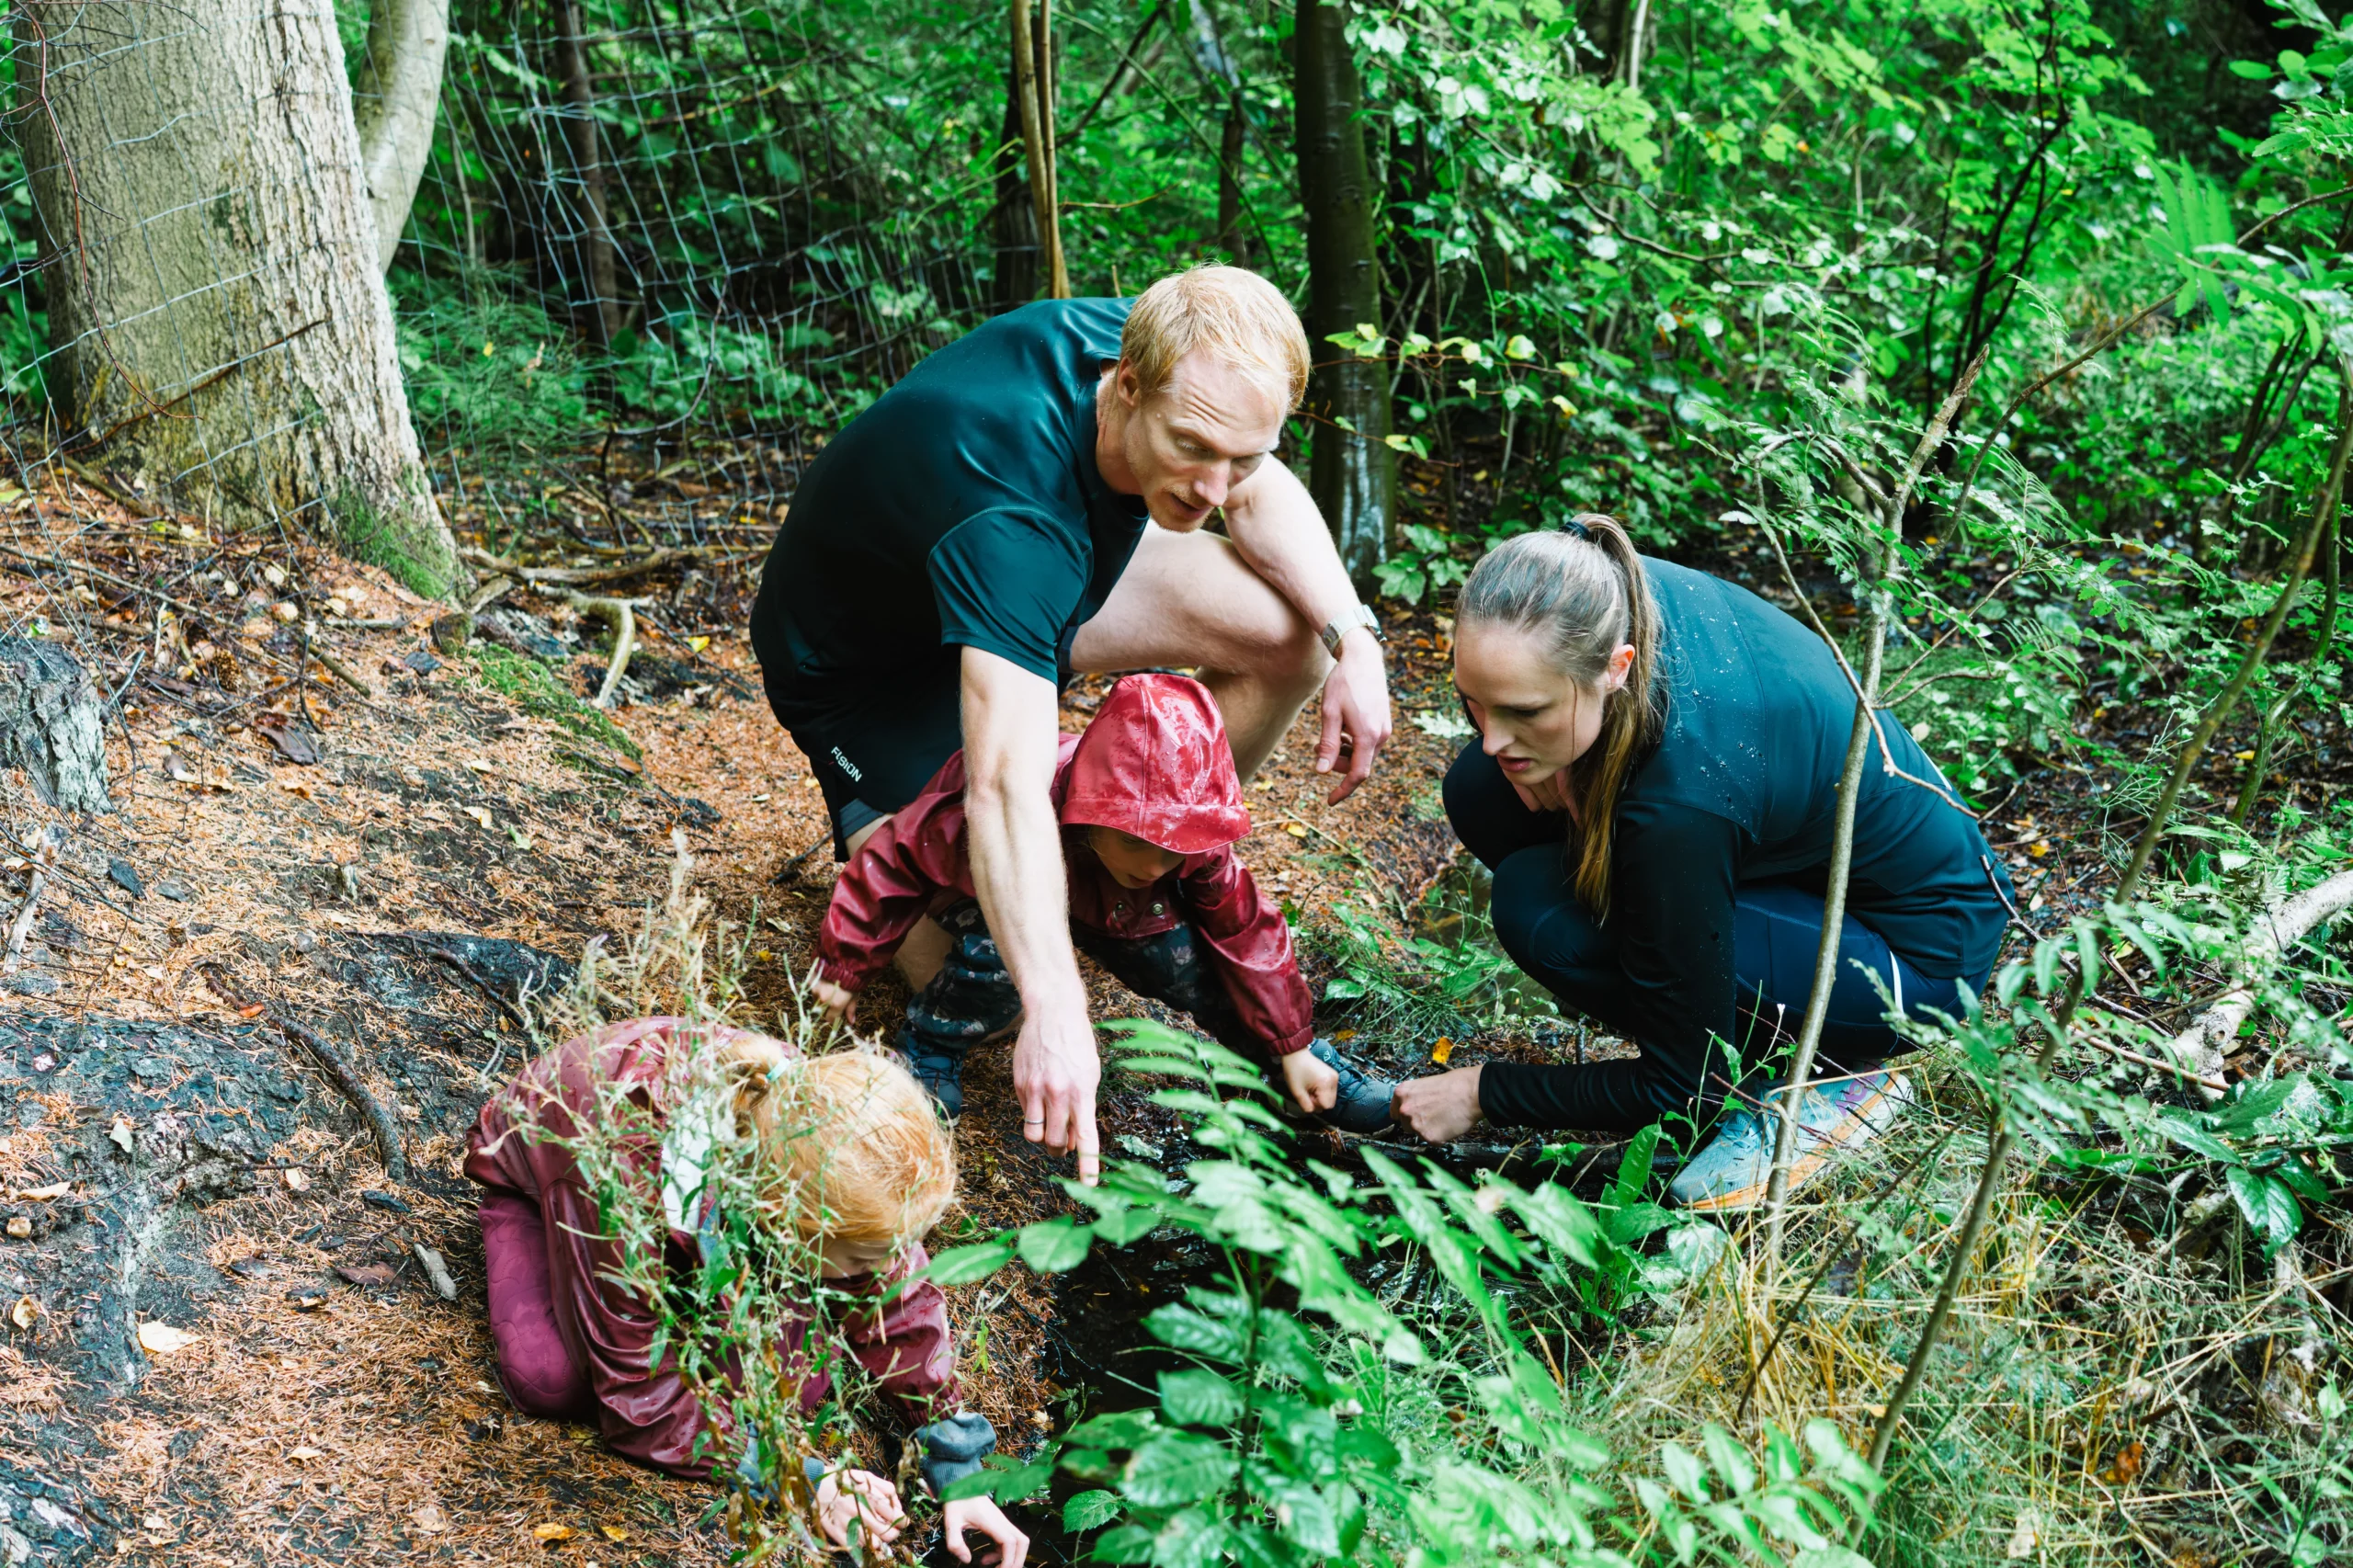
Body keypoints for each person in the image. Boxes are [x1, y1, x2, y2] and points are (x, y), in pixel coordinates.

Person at [750, 266, 1395, 1186]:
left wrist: (1355, 638)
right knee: (970, 968)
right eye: (1192, 449)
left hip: (1039, 580)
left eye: (1239, 455)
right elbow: (1006, 784)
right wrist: (1055, 1001)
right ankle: (917, 835)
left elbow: (1254, 485)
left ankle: (1132, 859)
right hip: (872, 674)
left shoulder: (1171, 353)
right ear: (1124, 384)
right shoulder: (1013, 513)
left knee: (1292, 640)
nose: (1217, 487)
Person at [1389, 517, 2014, 1210]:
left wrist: (1483, 1092)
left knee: (1542, 913)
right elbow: (1509, 740)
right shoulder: (1600, 588)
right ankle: (1721, 1005)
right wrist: (1537, 747)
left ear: (1615, 669)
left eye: (1525, 711)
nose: (1495, 736)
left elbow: (1675, 1088)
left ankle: (1826, 1076)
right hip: (1793, 865)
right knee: (1479, 789)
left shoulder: (1677, 806)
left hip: (1914, 962)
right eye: (1477, 704)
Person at [465, 1017, 1029, 1565]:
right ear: (783, 1224)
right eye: (867, 1259)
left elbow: (898, 1299)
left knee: (795, 1382)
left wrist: (957, 1467)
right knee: (552, 1379)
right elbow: (638, 1397)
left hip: (714, 1211)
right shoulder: (622, 1187)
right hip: (555, 1186)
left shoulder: (824, 1150)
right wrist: (798, 1477)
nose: (890, 1269)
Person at [811, 672, 1393, 1131]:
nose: (1156, 865)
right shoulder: (1008, 803)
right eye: (1137, 841)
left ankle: (1294, 1075)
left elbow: (1245, 933)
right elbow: (896, 858)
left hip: (1118, 911)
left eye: (1174, 851)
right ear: (1091, 806)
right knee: (995, 958)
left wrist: (1289, 1039)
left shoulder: (1189, 848)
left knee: (1197, 967)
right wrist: (846, 961)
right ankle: (932, 1049)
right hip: (997, 894)